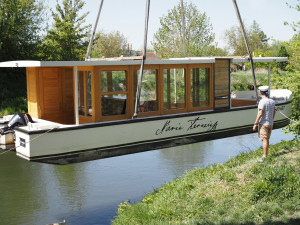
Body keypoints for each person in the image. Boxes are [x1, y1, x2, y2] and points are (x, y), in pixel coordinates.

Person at [253, 86, 276, 162]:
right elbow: (274, 111)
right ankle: (266, 154)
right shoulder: (272, 101)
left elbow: (260, 113)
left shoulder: (262, 101)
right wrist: (272, 119)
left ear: (260, 93)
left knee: (264, 140)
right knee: (267, 139)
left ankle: (265, 156)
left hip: (263, 123)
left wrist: (255, 124)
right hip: (270, 123)